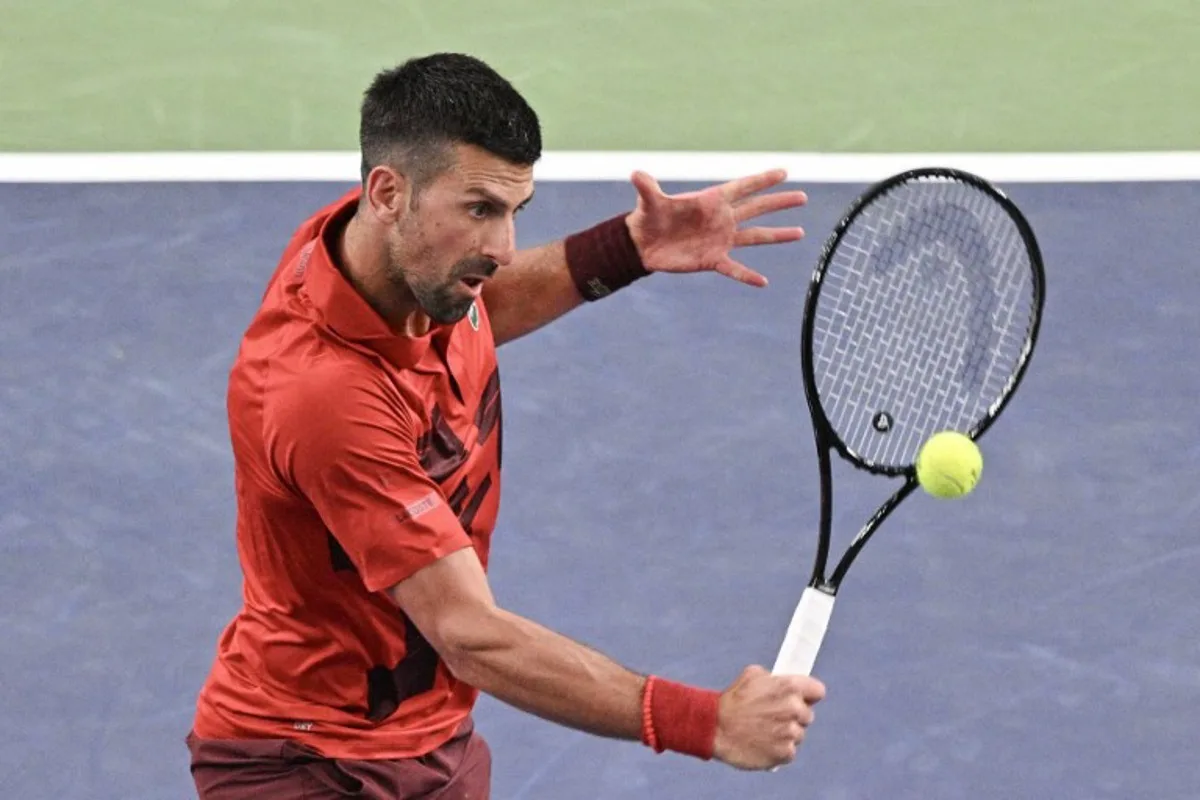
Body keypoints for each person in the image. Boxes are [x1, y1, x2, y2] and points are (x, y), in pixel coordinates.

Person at [187, 52, 826, 799]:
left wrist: (626, 248)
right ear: (387, 192)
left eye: (515, 211)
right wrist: (703, 721)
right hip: (303, 760)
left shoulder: (393, 268)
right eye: (481, 209)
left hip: (430, 741)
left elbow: (480, 313)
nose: (503, 247)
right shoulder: (321, 396)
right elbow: (469, 636)